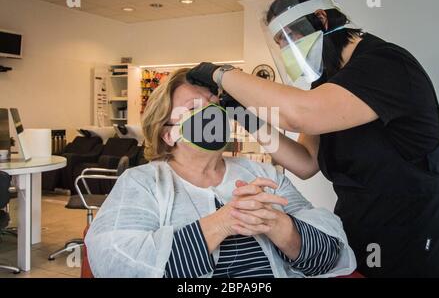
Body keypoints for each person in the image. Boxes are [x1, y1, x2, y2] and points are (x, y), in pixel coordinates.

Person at [186, 0, 439, 277]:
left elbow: (300, 114)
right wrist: (241, 113)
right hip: (356, 230)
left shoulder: (385, 63)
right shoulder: (327, 85)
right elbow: (304, 162)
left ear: (322, 19)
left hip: (412, 233)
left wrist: (221, 73)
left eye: (288, 39)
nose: (286, 50)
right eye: (280, 44)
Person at [85, 68, 356, 278]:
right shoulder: (144, 182)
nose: (211, 114)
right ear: (168, 133)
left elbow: (329, 254)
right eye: (194, 109)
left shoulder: (263, 174)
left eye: (215, 104)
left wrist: (279, 225)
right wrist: (224, 222)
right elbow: (117, 262)